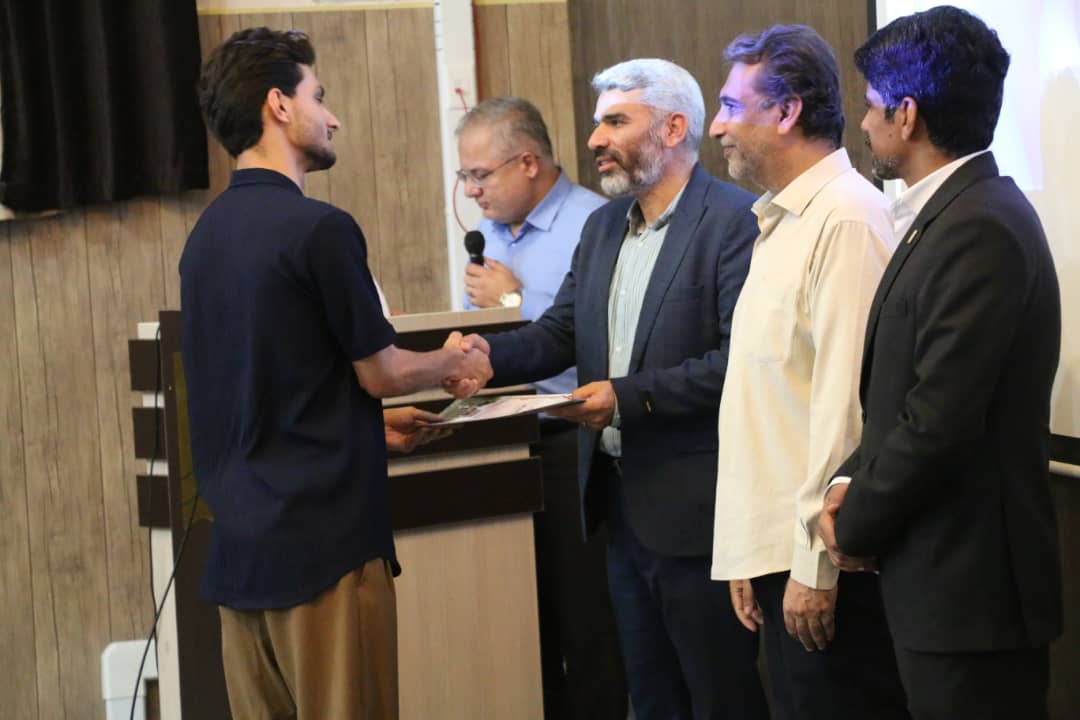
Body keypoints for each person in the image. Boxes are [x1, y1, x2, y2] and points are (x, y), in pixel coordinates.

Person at [180, 27, 490, 720]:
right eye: (318, 96)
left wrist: (364, 431)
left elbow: (263, 391)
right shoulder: (319, 229)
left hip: (239, 558)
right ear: (279, 106)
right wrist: (455, 359)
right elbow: (381, 372)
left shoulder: (205, 239)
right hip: (323, 554)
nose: (333, 116)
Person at [451, 58, 768, 720]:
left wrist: (624, 399)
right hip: (617, 511)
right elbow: (560, 332)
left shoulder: (735, 220)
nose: (595, 139)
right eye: (598, 123)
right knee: (649, 699)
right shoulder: (603, 228)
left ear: (674, 129)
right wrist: (482, 358)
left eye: (616, 121)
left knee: (722, 700)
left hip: (701, 519)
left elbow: (739, 363)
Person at [818, 7, 1063, 719]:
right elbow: (901, 395)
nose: (863, 123)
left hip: (972, 596)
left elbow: (938, 420)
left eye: (871, 105)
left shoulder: (979, 225)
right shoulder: (949, 214)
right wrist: (847, 481)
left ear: (907, 115)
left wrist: (852, 523)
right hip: (940, 584)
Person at [707, 25, 909, 720]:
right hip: (778, 557)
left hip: (824, 568)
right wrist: (747, 550)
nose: (717, 127)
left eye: (731, 107)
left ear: (787, 111)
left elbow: (845, 411)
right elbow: (768, 404)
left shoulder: (846, 218)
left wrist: (815, 566)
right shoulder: (784, 220)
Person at [456, 97, 625, 720]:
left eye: (480, 174)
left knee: (586, 619)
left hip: (571, 440)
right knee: (524, 623)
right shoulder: (489, 240)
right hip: (502, 440)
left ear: (527, 162)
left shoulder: (597, 223)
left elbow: (600, 339)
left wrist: (516, 301)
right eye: (464, 176)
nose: (471, 191)